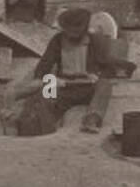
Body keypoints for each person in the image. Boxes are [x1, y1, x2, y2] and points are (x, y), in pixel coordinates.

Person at [12, 7, 117, 135]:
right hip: (64, 87)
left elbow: (109, 67)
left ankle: (92, 119)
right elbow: (43, 66)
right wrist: (47, 80)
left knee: (105, 85)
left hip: (88, 87)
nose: (72, 35)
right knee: (43, 96)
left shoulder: (96, 40)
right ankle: (43, 130)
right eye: (69, 31)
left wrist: (97, 75)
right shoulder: (57, 40)